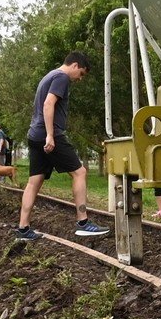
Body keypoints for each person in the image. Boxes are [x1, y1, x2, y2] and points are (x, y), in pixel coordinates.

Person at [15, 52, 110, 240]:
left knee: (35, 180)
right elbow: (48, 104)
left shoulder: (49, 76)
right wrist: (50, 135)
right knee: (80, 172)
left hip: (34, 134)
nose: (80, 79)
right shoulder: (62, 77)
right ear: (74, 65)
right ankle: (83, 223)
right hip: (49, 134)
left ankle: (23, 229)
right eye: (81, 73)